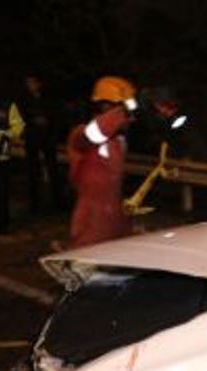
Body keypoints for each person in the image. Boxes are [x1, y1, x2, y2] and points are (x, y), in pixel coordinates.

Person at [67, 76, 137, 248]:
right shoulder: (82, 133)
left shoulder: (118, 140)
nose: (130, 119)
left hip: (113, 210)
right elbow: (95, 133)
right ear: (106, 106)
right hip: (92, 215)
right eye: (121, 110)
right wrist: (121, 113)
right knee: (90, 248)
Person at [18, 74, 63, 211]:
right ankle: (35, 204)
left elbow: (55, 115)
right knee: (33, 171)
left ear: (39, 83)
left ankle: (56, 201)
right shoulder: (23, 100)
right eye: (28, 83)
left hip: (48, 139)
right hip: (32, 138)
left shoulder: (48, 98)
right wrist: (32, 121)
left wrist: (49, 124)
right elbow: (21, 117)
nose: (31, 85)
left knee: (52, 169)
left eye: (33, 82)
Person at [0, 96, 25, 234]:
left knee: (2, 190)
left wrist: (7, 137)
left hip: (1, 154)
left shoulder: (6, 105)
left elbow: (18, 125)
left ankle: (3, 223)